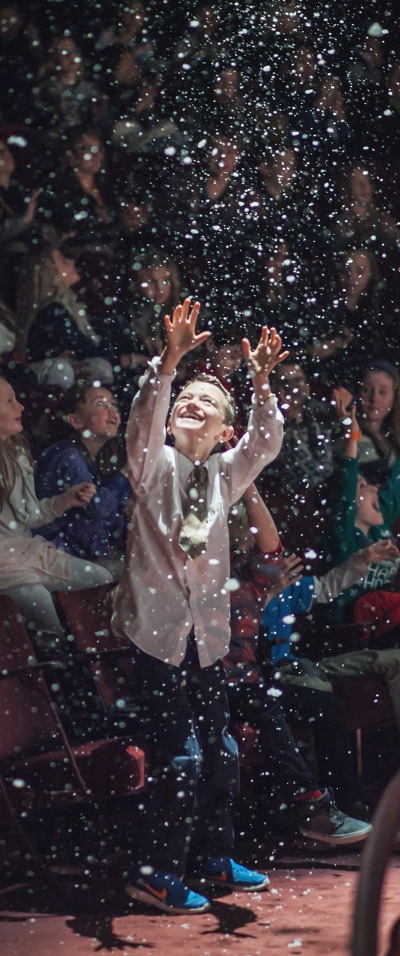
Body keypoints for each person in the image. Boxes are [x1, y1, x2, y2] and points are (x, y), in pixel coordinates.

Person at [112, 298, 286, 914]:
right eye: (187, 396)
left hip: (203, 639)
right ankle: (154, 874)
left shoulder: (225, 474)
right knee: (181, 754)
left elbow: (266, 441)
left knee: (221, 750)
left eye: (209, 401)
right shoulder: (150, 462)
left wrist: (262, 383)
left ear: (222, 431)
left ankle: (213, 863)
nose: (194, 401)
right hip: (157, 638)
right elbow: (142, 416)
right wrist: (170, 364)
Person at [225, 480, 373, 841]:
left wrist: (359, 562)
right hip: (219, 681)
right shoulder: (218, 576)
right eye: (247, 536)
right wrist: (267, 595)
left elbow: (308, 580)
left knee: (327, 707)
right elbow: (229, 633)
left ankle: (347, 806)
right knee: (271, 703)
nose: (254, 544)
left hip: (255, 679)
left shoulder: (260, 572)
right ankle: (305, 808)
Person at [0, 375, 113, 644]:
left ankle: (97, 654)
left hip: (27, 551)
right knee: (37, 599)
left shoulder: (15, 451)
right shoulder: (66, 453)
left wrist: (65, 499)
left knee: (101, 577)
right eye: (9, 401)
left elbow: (29, 515)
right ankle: (60, 665)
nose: (21, 407)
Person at [34, 381, 131, 576]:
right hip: (51, 555)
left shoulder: (101, 460)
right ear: (76, 421)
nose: (112, 411)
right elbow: (97, 509)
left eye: (113, 404)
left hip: (81, 554)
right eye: (100, 404)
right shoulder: (67, 454)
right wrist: (126, 474)